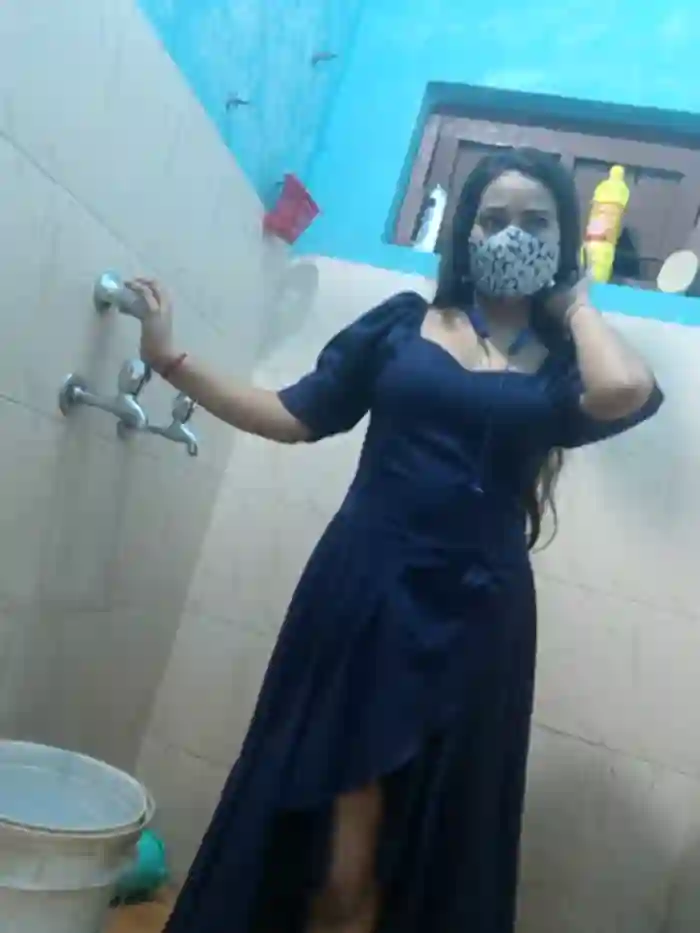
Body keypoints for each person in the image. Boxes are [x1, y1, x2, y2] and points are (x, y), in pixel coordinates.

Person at [129, 147, 663, 933]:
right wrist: (169, 360)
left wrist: (575, 298)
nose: (512, 234)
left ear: (563, 238)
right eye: (493, 218)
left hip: (480, 613)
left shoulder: (562, 369)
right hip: (365, 589)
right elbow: (292, 414)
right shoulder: (401, 325)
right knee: (337, 821)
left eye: (535, 221)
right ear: (466, 232)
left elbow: (625, 389)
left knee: (432, 824)